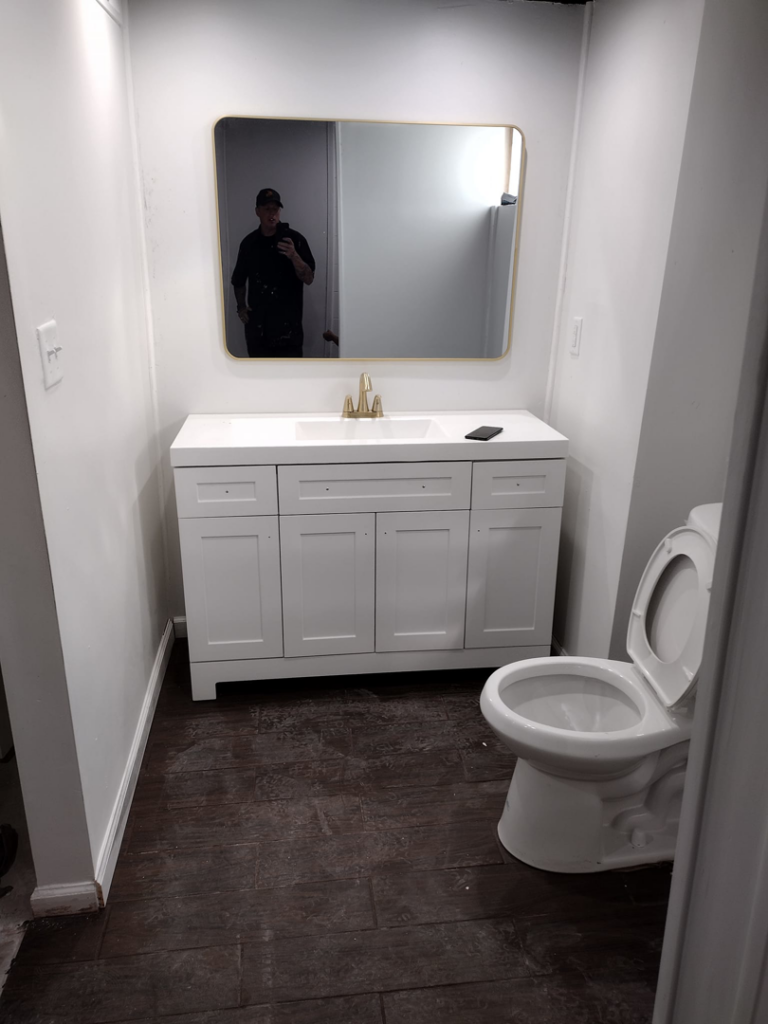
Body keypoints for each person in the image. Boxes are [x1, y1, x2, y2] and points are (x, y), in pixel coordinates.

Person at [231, 188, 315, 358]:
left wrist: (294, 256)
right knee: (259, 380)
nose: (272, 214)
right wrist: (241, 307)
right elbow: (238, 279)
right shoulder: (249, 243)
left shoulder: (295, 240)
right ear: (257, 212)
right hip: (258, 331)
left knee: (291, 380)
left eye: (275, 209)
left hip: (289, 330)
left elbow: (309, 278)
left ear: (280, 211)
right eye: (267, 209)